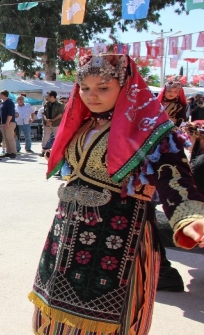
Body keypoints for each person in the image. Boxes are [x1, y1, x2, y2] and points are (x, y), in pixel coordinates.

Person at [30, 54, 204, 334]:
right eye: (84, 88)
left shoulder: (149, 130)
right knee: (56, 305)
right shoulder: (85, 125)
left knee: (108, 315)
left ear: (125, 87)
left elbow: (173, 173)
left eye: (102, 87)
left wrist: (189, 215)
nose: (91, 95)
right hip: (66, 232)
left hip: (117, 234)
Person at [41, 91, 65, 157]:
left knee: (57, 137)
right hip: (47, 124)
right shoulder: (46, 104)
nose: (47, 97)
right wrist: (47, 120)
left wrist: (52, 120)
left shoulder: (60, 105)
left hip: (56, 124)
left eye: (48, 96)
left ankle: (58, 151)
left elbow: (60, 114)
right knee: (45, 137)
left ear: (52, 96)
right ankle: (43, 151)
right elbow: (44, 114)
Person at [0, 90, 17, 158]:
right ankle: (8, 152)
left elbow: (10, 113)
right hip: (3, 123)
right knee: (6, 138)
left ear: (3, 95)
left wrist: (7, 122)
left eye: (0, 94)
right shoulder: (3, 103)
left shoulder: (10, 102)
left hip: (9, 122)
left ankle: (13, 152)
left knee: (10, 138)